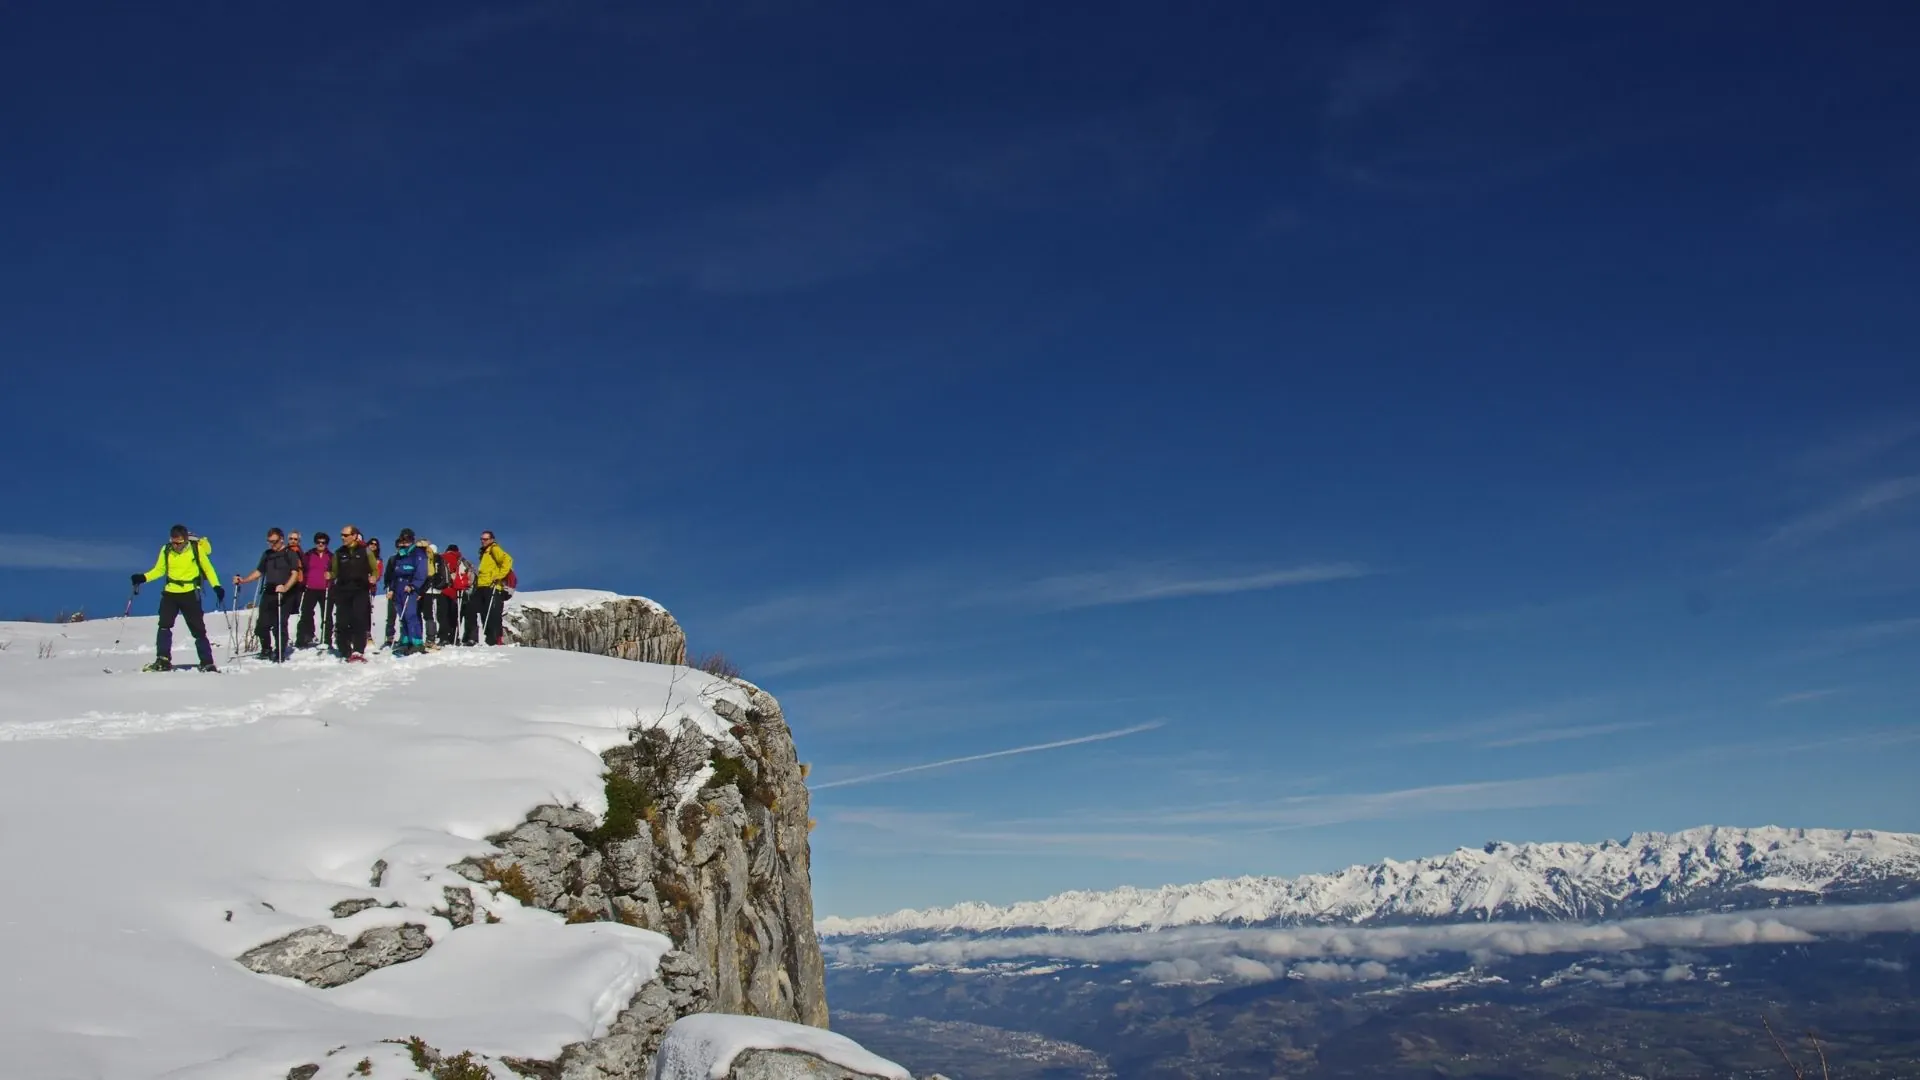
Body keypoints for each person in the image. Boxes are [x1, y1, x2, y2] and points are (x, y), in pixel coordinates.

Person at [132, 524, 224, 672]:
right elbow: (159, 570)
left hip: (190, 593)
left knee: (198, 630)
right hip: (170, 593)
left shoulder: (196, 549)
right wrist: (143, 577)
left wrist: (217, 586)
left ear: (186, 540)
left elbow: (208, 569)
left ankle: (207, 662)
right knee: (164, 625)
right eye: (173, 542)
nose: (175, 546)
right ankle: (163, 660)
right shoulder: (166, 550)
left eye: (179, 543)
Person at [233, 527, 302, 662]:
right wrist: (244, 580)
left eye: (274, 542)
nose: (272, 545)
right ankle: (266, 649)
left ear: (281, 539)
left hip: (285, 593)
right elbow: (259, 572)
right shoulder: (267, 554)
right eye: (269, 542)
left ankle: (280, 652)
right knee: (261, 626)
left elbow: (295, 574)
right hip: (269, 591)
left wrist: (285, 587)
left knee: (279, 624)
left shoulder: (290, 553)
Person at [330, 525, 378, 661]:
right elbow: (334, 571)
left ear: (354, 536)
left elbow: (374, 568)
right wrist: (330, 575)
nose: (342, 538)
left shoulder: (365, 551)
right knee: (342, 621)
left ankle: (358, 650)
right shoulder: (339, 552)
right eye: (342, 535)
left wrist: (374, 577)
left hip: (360, 589)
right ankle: (345, 650)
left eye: (345, 535)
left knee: (359, 619)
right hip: (343, 589)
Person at [385, 528, 431, 656]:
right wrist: (392, 589)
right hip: (398, 587)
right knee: (402, 616)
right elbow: (394, 574)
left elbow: (422, 573)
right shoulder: (400, 556)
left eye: (407, 540)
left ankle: (416, 642)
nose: (404, 543)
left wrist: (413, 585)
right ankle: (405, 641)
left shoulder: (418, 554)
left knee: (410, 615)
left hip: (409, 588)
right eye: (402, 540)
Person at [466, 530, 513, 646]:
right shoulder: (485, 552)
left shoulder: (494, 549)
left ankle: (493, 639)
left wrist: (498, 576)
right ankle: (476, 637)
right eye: (481, 539)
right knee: (473, 609)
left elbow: (508, 560)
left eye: (485, 539)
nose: (483, 541)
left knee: (491, 614)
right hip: (482, 586)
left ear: (491, 540)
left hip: (492, 586)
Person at [296, 532, 334, 649]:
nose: (321, 544)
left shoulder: (331, 556)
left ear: (326, 544)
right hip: (310, 588)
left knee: (327, 615)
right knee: (306, 613)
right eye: (318, 542)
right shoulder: (309, 555)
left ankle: (326, 640)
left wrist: (331, 576)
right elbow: (301, 568)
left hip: (326, 589)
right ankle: (303, 638)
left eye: (323, 542)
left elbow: (336, 571)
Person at [437, 543, 469, 646]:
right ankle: (454, 637)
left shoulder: (442, 557)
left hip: (443, 590)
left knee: (442, 615)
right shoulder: (461, 560)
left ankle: (443, 637)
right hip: (457, 591)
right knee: (455, 615)